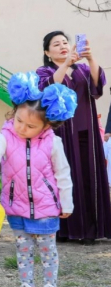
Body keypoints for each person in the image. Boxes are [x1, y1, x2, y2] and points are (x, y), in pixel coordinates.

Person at [0, 72, 75, 287]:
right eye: (18, 120)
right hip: (17, 206)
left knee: (48, 251)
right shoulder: (6, 136)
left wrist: (66, 201)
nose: (21, 128)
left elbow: (63, 173)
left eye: (30, 125)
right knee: (23, 250)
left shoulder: (52, 141)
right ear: (14, 113)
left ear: (45, 125)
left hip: (47, 208)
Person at [36, 31, 111, 244]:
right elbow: (48, 88)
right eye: (56, 44)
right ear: (47, 52)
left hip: (86, 134)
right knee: (63, 180)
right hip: (61, 135)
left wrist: (90, 57)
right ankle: (65, 230)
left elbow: (98, 88)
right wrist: (66, 63)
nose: (62, 46)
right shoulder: (44, 71)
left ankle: (90, 231)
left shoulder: (83, 69)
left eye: (65, 42)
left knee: (89, 179)